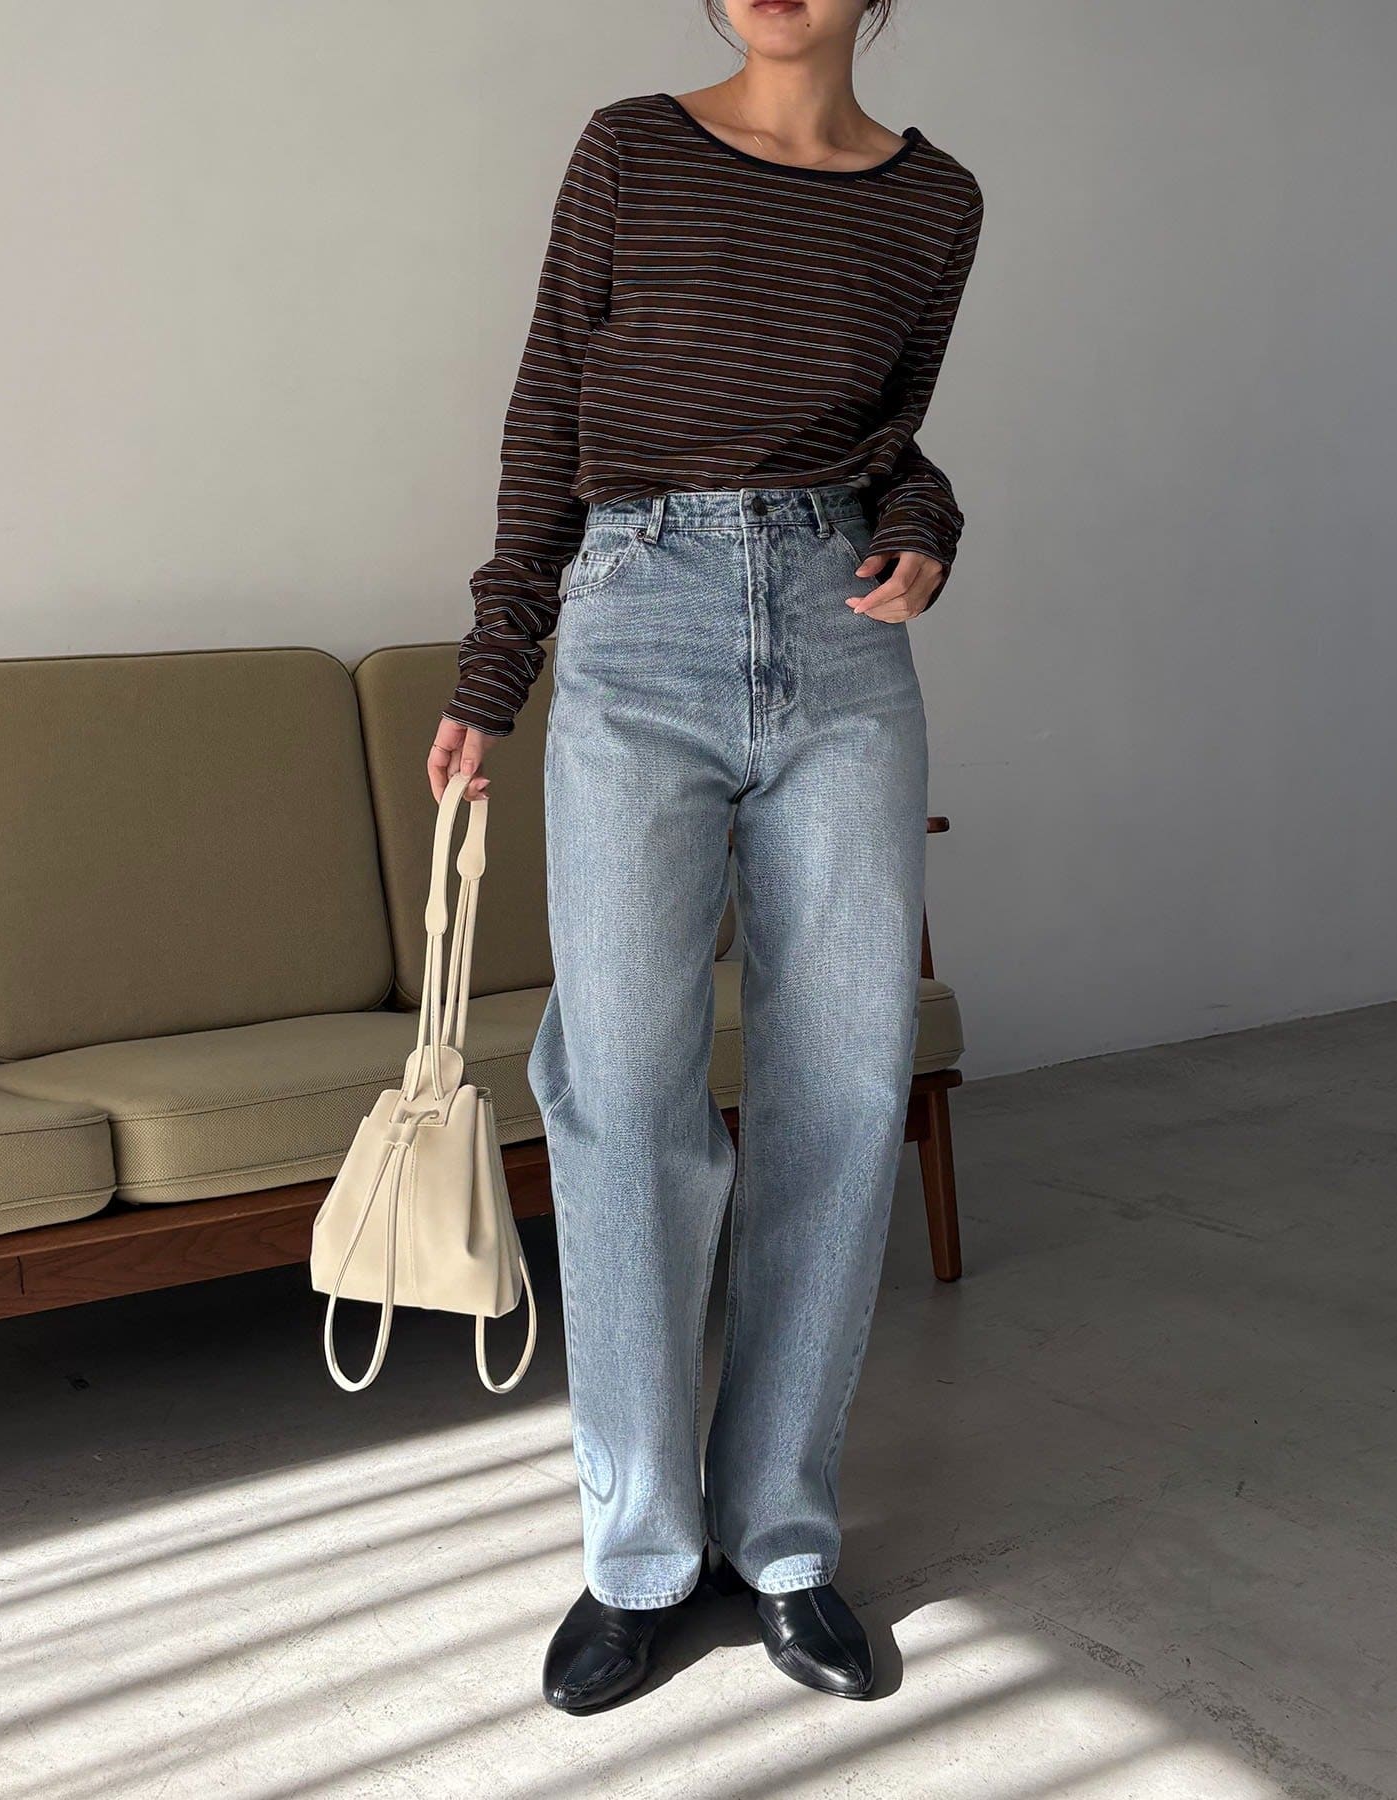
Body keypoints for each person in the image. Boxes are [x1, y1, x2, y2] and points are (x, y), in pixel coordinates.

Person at [427, 0, 983, 1714]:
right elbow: (550, 405)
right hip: (636, 615)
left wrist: (925, 519)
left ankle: (784, 1539)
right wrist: (496, 665)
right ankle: (637, 1554)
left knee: (844, 1082)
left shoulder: (935, 200)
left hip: (839, 639)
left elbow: (886, 438)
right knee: (619, 1090)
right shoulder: (630, 149)